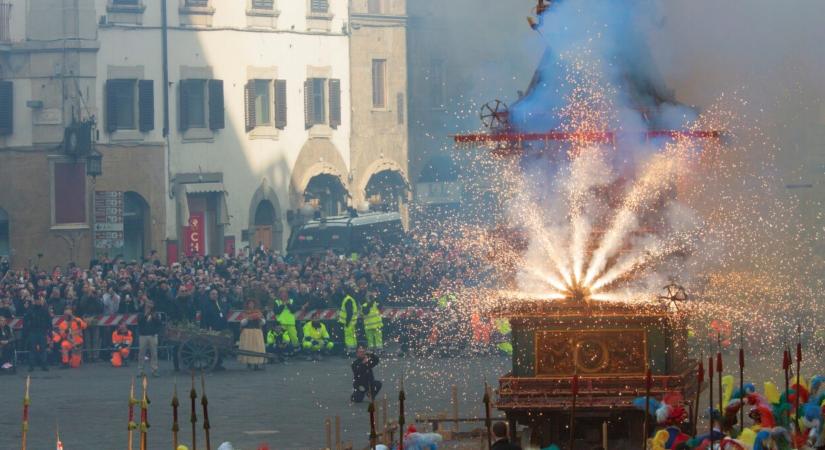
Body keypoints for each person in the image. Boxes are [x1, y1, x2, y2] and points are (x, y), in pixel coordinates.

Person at [23, 294, 51, 371]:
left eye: (39, 300)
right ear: (34, 301)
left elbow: (49, 321)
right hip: (33, 331)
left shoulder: (45, 310)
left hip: (42, 331)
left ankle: (44, 364)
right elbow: (25, 321)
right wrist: (27, 331)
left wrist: (50, 331)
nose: (38, 301)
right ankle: (31, 365)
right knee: (32, 349)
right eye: (36, 300)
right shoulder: (30, 310)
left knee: (43, 348)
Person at [238, 300, 266, 370]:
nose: (251, 305)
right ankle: (249, 363)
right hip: (247, 331)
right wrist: (248, 318)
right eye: (249, 304)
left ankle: (256, 364)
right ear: (247, 305)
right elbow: (242, 323)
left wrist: (259, 319)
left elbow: (263, 322)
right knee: (248, 347)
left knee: (257, 348)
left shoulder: (258, 312)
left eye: (252, 304)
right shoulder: (245, 313)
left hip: (257, 331)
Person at [137, 299, 162, 377]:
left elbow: (159, 324)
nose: (149, 305)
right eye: (148, 303)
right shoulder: (141, 313)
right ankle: (140, 370)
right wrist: (146, 314)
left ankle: (154, 370)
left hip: (152, 335)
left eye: (151, 303)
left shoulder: (156, 314)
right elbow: (139, 322)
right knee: (141, 354)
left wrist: (153, 316)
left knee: (154, 354)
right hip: (143, 335)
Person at [273, 287, 300, 354]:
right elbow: (277, 311)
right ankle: (284, 352)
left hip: (290, 322)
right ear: (279, 294)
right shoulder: (276, 301)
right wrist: (282, 304)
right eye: (282, 292)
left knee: (294, 338)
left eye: (285, 292)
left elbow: (293, 310)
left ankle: (295, 351)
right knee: (284, 338)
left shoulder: (291, 301)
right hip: (281, 323)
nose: (283, 294)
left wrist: (287, 304)